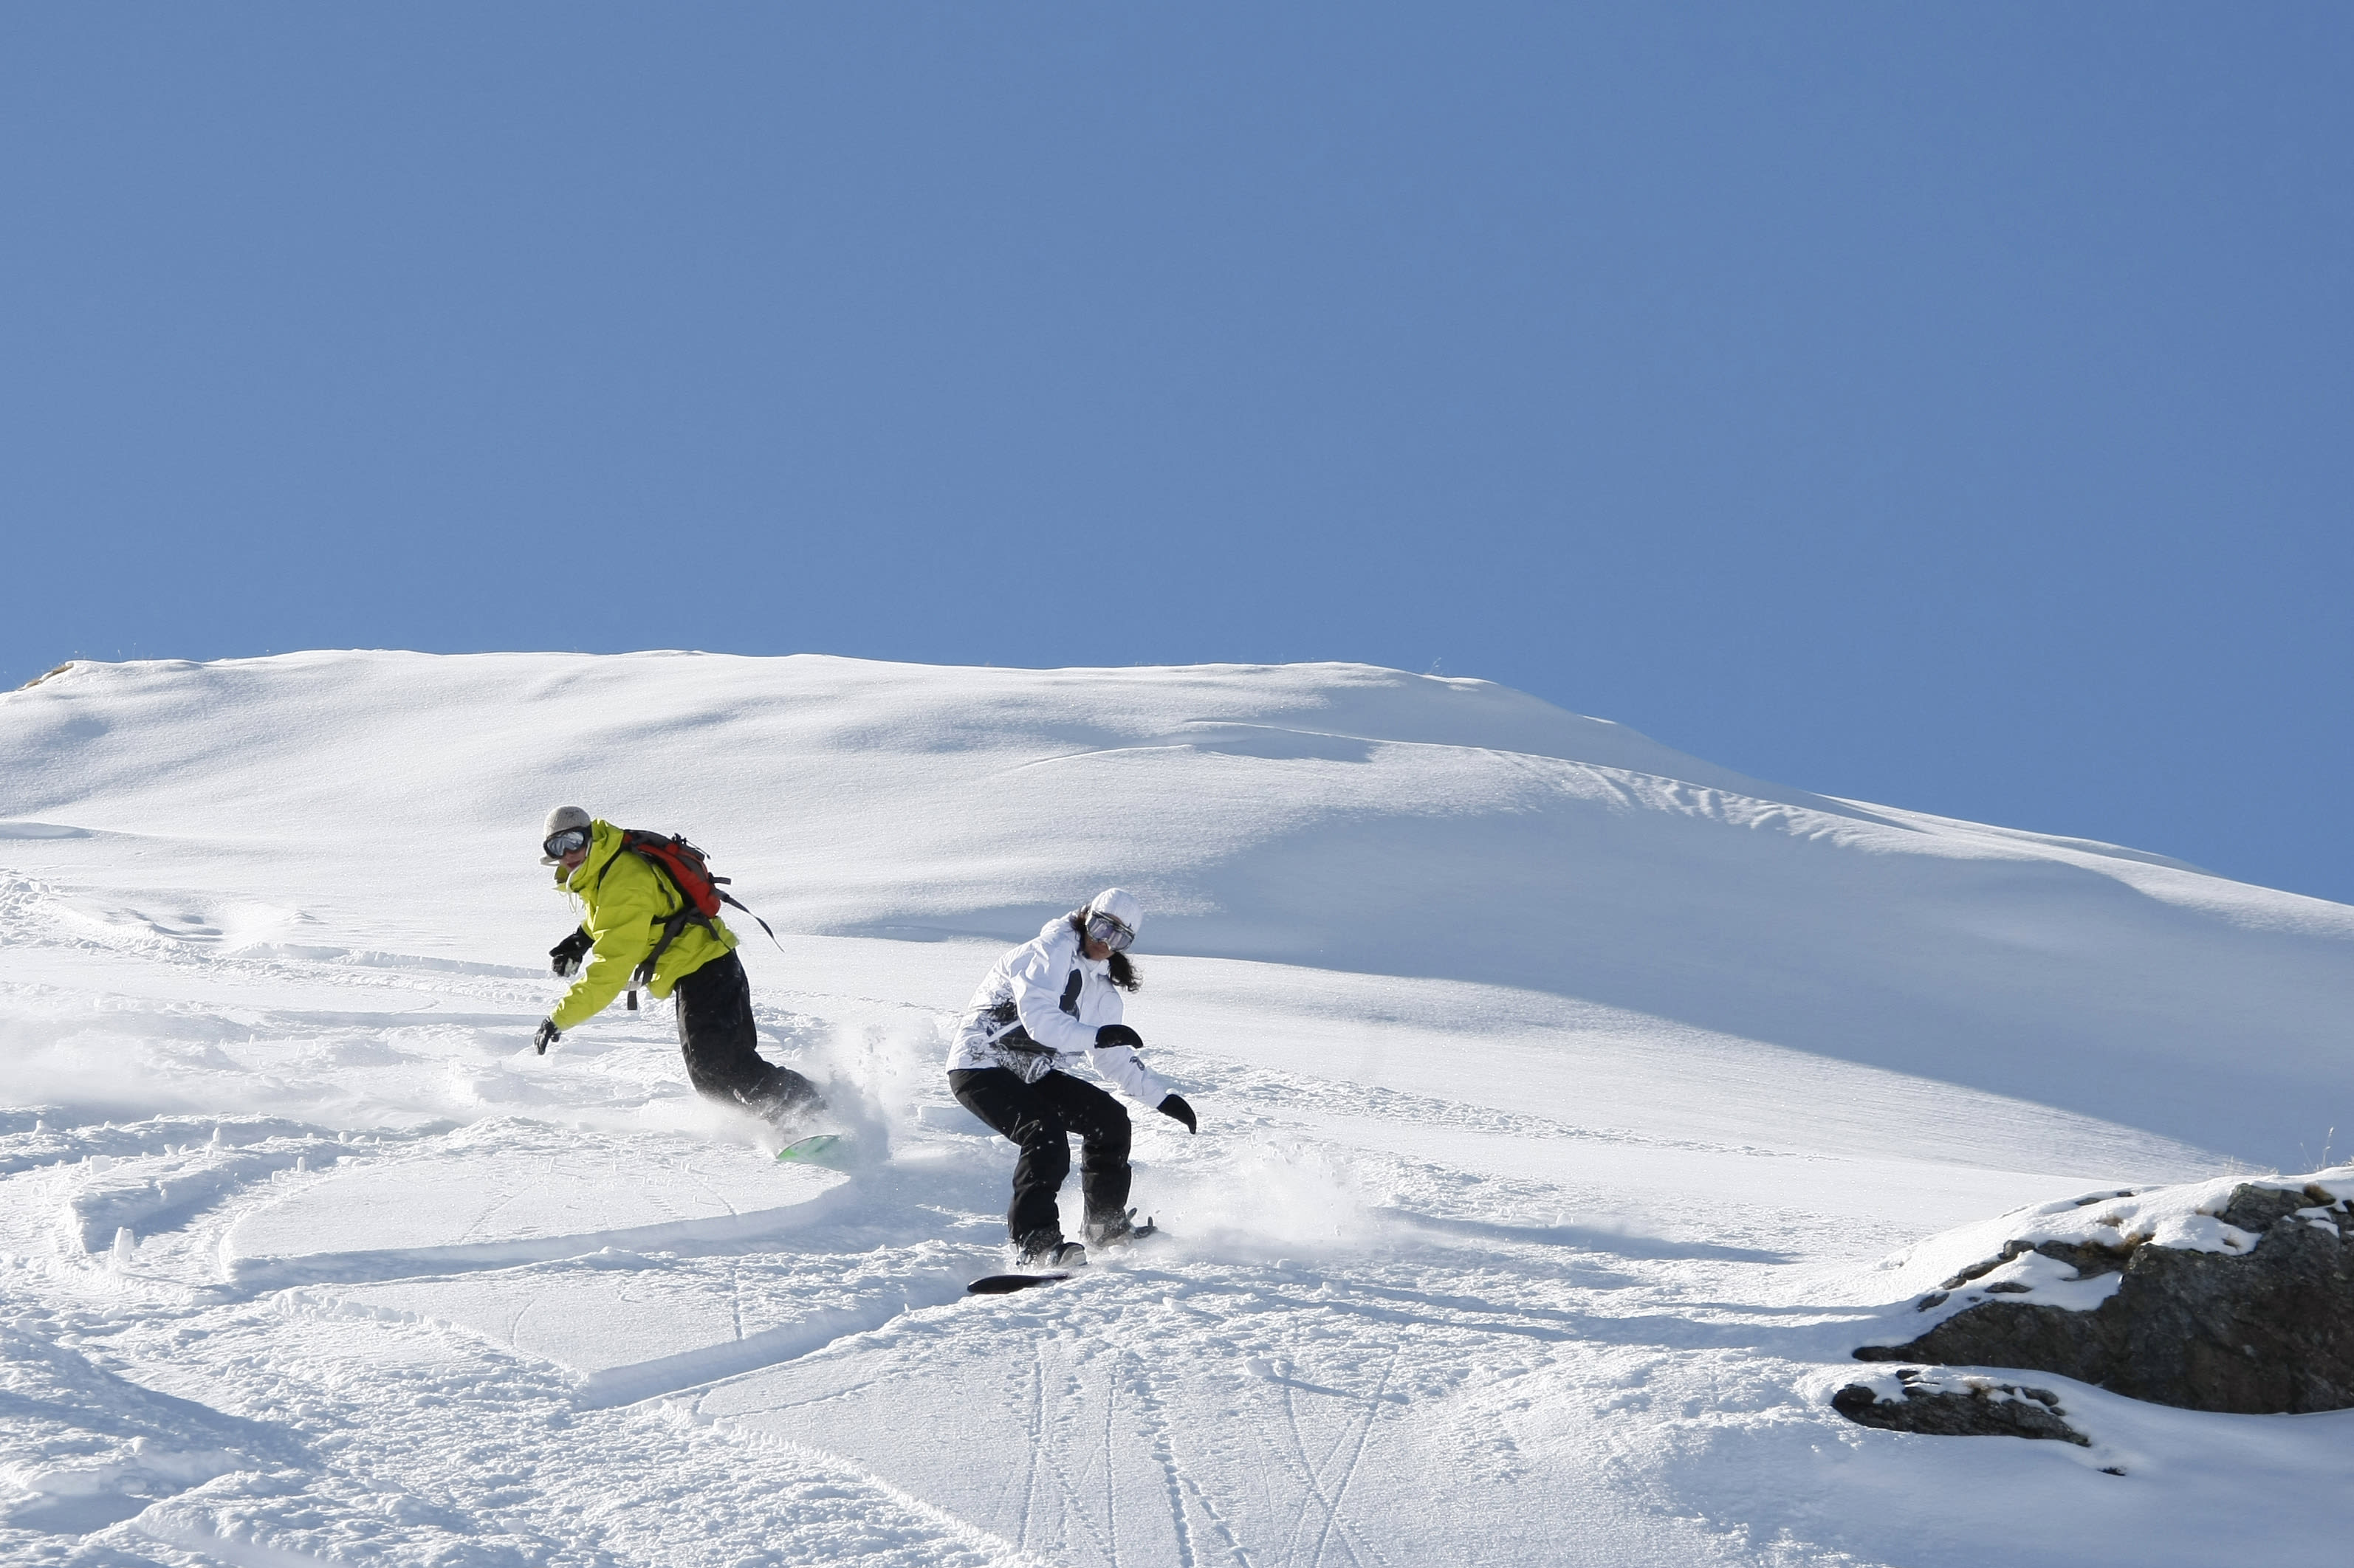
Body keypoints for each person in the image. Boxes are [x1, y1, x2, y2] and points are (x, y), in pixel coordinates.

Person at [947, 888, 1198, 1268]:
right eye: (1100, 928)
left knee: (1109, 1121)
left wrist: (1162, 1098)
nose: (1103, 942)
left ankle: (1105, 1229)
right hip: (980, 1064)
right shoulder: (1046, 953)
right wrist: (1095, 1035)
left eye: (1118, 938)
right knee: (1042, 1131)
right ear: (1085, 919)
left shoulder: (1101, 989)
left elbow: (1112, 1055)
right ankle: (1035, 1243)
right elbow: (1041, 1021)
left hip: (1032, 1072)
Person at [531, 806, 821, 1124]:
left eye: (574, 840)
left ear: (590, 837)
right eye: (557, 847)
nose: (569, 853)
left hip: (706, 967)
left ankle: (808, 1112)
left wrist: (560, 1018)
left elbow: (611, 968)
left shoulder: (621, 879)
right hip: (700, 967)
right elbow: (616, 915)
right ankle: (802, 1108)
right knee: (712, 1073)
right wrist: (581, 939)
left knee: (717, 1067)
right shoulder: (606, 866)